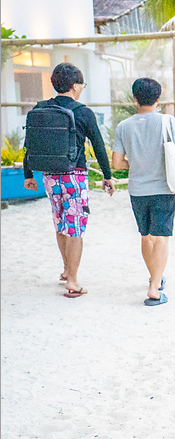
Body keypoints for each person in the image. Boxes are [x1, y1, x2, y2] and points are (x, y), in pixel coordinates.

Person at [23, 63, 115, 297]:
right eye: (82, 84)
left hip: (49, 177)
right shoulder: (83, 112)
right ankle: (72, 281)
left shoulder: (40, 108)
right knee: (74, 227)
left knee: (60, 223)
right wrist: (107, 175)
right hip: (74, 176)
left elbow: (30, 145)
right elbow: (98, 146)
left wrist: (28, 175)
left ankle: (66, 270)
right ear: (75, 86)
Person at [111, 78, 175, 306]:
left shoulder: (123, 126)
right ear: (158, 98)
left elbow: (117, 163)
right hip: (163, 188)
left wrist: (135, 163)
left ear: (134, 98)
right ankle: (154, 287)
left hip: (137, 190)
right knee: (162, 237)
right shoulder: (167, 121)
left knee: (146, 235)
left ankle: (155, 276)